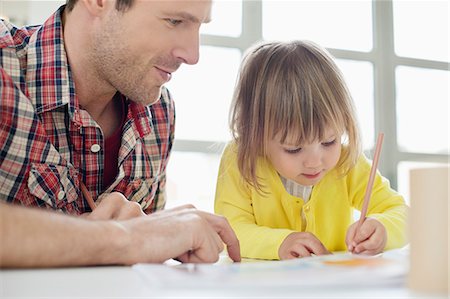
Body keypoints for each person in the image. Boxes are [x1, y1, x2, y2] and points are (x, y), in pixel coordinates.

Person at [0, 0, 240, 265]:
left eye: (199, 26)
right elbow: (130, 241)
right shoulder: (4, 70)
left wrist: (154, 233)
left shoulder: (160, 113)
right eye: (174, 22)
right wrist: (124, 238)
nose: (192, 55)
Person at [214, 40, 408, 260]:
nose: (315, 162)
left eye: (329, 142)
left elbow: (403, 214)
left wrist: (382, 228)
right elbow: (229, 230)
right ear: (256, 135)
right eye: (294, 148)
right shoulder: (241, 159)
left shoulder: (347, 162)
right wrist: (279, 243)